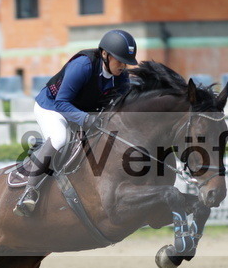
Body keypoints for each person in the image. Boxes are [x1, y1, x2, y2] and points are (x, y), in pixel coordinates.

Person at [14, 29, 138, 216]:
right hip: (53, 108)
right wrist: (86, 119)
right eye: (120, 60)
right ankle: (30, 191)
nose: (123, 66)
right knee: (59, 138)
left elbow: (120, 106)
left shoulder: (121, 77)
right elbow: (62, 103)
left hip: (83, 110)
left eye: (126, 62)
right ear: (105, 54)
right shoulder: (83, 65)